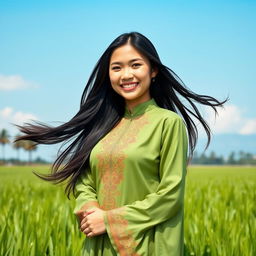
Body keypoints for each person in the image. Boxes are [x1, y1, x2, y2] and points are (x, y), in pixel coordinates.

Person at [14, 32, 227, 255]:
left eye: (135, 65)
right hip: (98, 243)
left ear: (153, 70)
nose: (126, 75)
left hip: (147, 245)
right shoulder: (102, 124)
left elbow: (170, 195)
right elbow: (85, 180)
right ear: (108, 75)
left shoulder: (168, 123)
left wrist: (110, 220)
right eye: (116, 68)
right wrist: (90, 210)